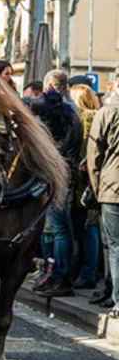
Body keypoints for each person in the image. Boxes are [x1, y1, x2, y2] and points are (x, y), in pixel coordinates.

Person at [29, 70, 83, 297]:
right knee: (51, 229)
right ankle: (53, 273)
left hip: (56, 172)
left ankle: (61, 276)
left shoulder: (62, 110)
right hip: (60, 171)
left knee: (59, 228)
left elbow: (59, 144)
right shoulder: (71, 110)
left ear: (51, 85)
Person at [87, 88, 119, 315]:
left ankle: (117, 298)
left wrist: (96, 187)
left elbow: (94, 155)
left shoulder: (106, 113)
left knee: (115, 246)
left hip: (112, 187)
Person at [71, 84, 103, 290]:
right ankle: (88, 270)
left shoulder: (85, 117)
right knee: (88, 228)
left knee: (87, 228)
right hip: (91, 180)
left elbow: (89, 150)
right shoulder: (96, 115)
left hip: (85, 182)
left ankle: (87, 272)